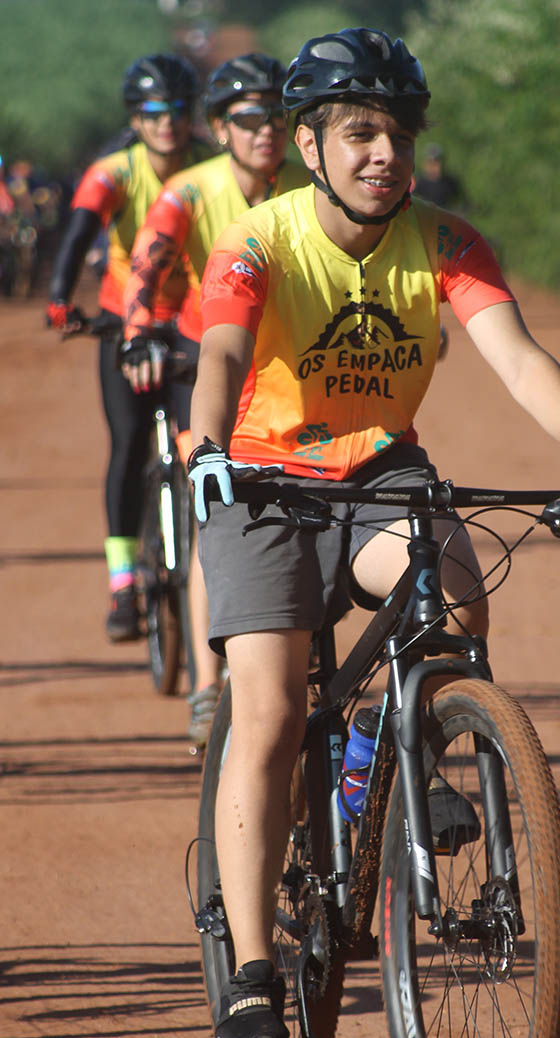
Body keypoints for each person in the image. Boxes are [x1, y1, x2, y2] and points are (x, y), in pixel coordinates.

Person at [186, 27, 560, 1038]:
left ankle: (385, 752)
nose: (383, 154)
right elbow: (221, 349)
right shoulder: (258, 240)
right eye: (359, 132)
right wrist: (205, 444)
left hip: (378, 473)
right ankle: (254, 974)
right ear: (308, 144)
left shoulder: (445, 242)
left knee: (453, 599)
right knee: (269, 710)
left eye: (398, 135)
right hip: (258, 480)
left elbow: (517, 356)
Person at [120, 53, 309, 750]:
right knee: (215, 511)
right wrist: (138, 334)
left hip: (285, 368)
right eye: (250, 118)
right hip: (206, 359)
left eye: (278, 117)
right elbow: (147, 265)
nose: (267, 130)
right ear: (221, 128)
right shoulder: (190, 191)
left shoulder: (308, 187)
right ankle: (206, 687)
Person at [46, 54, 209, 642]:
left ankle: (211, 565)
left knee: (204, 446)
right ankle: (122, 582)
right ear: (136, 119)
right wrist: (60, 297)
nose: (167, 123)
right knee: (129, 441)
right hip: (125, 321)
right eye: (154, 112)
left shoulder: (210, 167)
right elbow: (79, 232)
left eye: (178, 110)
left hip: (191, 321)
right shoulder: (114, 171)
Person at [413, 142, 465, 210]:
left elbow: (463, 201)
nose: (433, 166)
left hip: (445, 214)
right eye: (430, 162)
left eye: (436, 163)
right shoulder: (419, 182)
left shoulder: (450, 182)